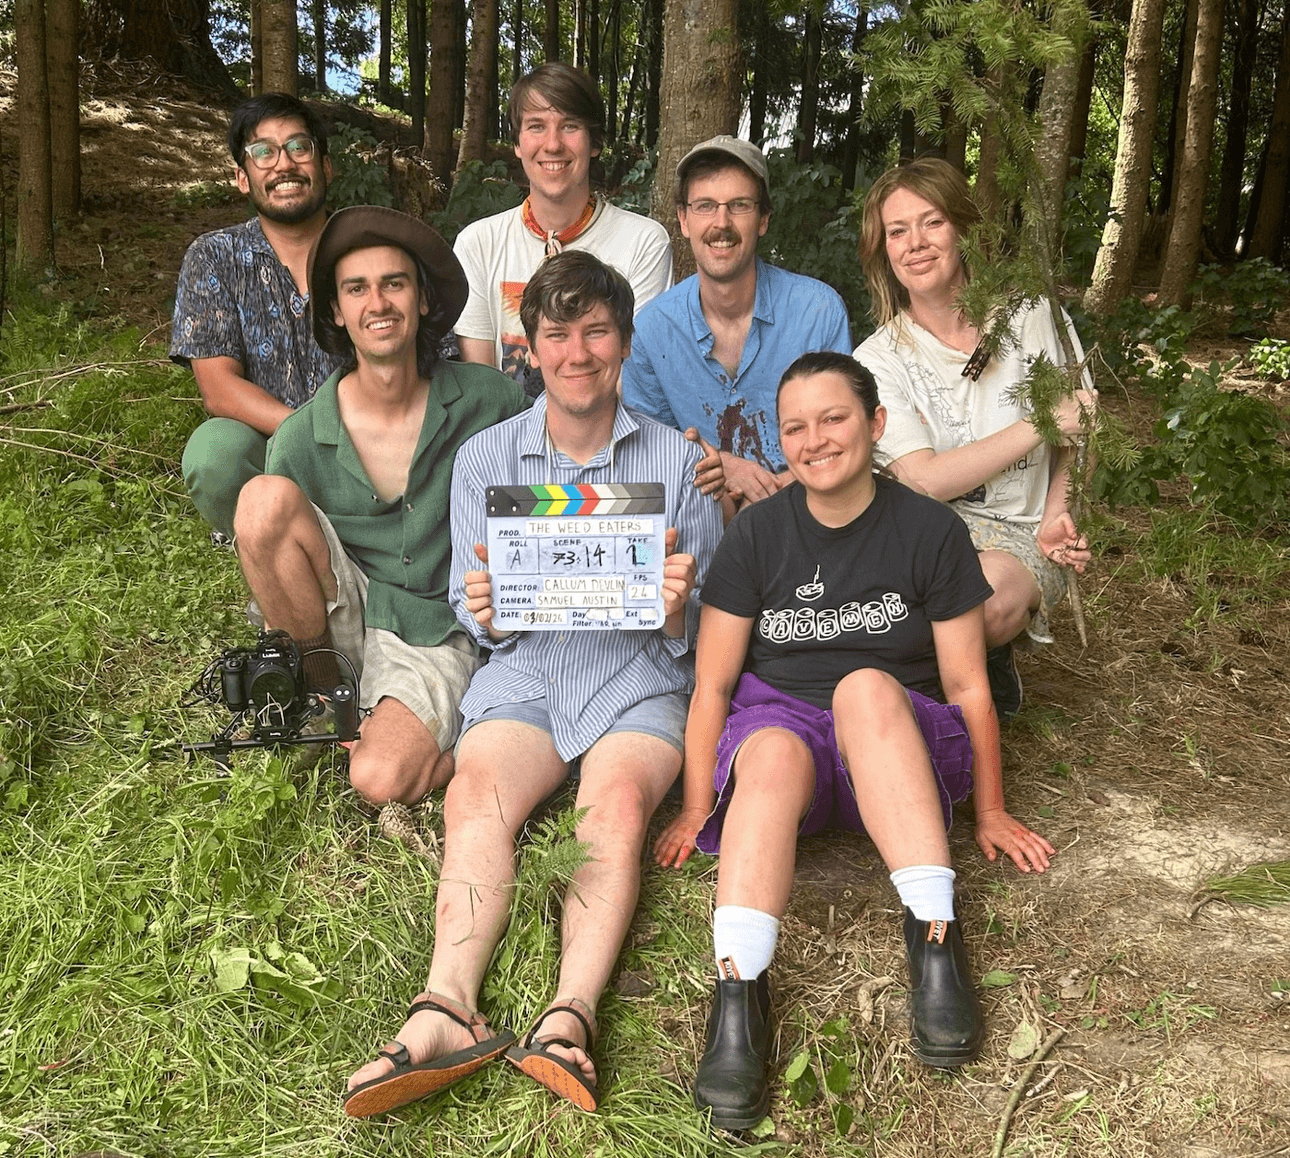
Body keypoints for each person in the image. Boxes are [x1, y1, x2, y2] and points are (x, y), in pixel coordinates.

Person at [342, 251, 723, 1119]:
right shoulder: (487, 459)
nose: (578, 351)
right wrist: (488, 610)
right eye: (559, 333)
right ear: (532, 349)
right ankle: (446, 1008)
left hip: (641, 679)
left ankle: (568, 1019)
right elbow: (482, 615)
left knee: (617, 804)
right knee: (473, 795)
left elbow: (706, 624)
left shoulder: (677, 462)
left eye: (596, 331)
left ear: (624, 344)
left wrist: (672, 609)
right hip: (530, 672)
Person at [654, 351, 1054, 1131]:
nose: (815, 440)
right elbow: (713, 685)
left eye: (834, 419)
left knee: (863, 687)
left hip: (894, 735)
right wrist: (697, 806)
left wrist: (991, 812)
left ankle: (935, 940)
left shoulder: (928, 529)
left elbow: (969, 685)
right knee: (767, 746)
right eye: (795, 427)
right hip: (789, 743)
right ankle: (740, 996)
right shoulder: (758, 536)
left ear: (873, 425)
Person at [233, 206, 528, 810]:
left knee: (378, 779)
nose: (379, 303)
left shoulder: (493, 402)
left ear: (422, 299)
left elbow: (563, 469)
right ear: (337, 312)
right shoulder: (301, 434)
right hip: (340, 618)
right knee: (261, 503)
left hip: (436, 626)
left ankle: (450, 737)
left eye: (395, 283)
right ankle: (322, 692)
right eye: (356, 288)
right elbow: (278, 562)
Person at [854, 157, 1097, 719]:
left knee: (978, 609)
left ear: (963, 229)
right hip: (921, 527)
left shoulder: (1036, 318)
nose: (915, 242)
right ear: (883, 250)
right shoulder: (878, 359)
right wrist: (1038, 423)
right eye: (897, 231)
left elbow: (1081, 430)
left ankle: (943, 691)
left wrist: (1059, 512)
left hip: (1017, 532)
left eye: (932, 222)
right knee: (881, 610)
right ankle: (931, 693)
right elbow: (924, 479)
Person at [621, 136, 853, 507]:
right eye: (705, 206)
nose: (721, 222)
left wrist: (770, 502)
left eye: (739, 205)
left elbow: (845, 434)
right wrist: (720, 464)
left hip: (809, 508)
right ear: (683, 219)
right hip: (698, 519)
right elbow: (646, 450)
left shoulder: (817, 312)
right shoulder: (651, 330)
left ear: (763, 219)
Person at [172, 93, 344, 540]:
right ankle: (269, 548)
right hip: (272, 449)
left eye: (298, 147)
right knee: (214, 454)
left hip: (372, 441)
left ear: (326, 166)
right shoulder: (214, 257)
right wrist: (310, 433)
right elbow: (218, 389)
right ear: (242, 178)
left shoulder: (369, 247)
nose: (283, 164)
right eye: (263, 152)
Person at [453, 62, 673, 392]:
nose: (553, 144)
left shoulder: (643, 243)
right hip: (507, 440)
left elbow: (632, 382)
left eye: (569, 126)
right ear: (517, 143)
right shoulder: (478, 244)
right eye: (536, 126)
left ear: (594, 143)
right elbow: (483, 390)